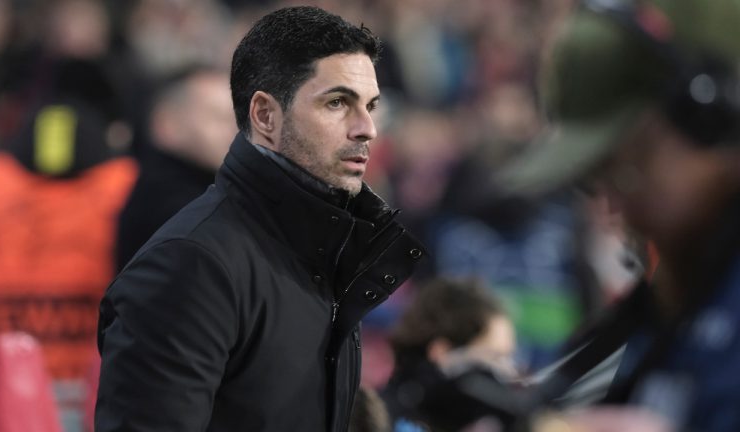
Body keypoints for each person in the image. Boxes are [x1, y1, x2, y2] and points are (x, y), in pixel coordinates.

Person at [94, 6, 426, 432]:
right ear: (266, 115)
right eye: (338, 103)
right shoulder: (189, 264)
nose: (367, 128)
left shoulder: (323, 255)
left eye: (371, 106)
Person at [496, 0, 740, 430]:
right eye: (595, 181)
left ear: (710, 117)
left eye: (625, 170)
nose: (614, 208)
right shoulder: (677, 293)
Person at [115, 65, 236, 271]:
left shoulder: (211, 194)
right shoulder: (174, 208)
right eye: (218, 117)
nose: (235, 130)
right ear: (167, 124)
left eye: (238, 119)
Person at [380, 278, 517, 431]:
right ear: (442, 352)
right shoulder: (382, 421)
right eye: (494, 357)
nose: (508, 370)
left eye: (508, 357)